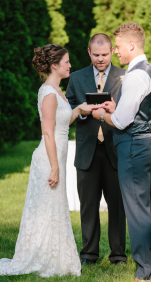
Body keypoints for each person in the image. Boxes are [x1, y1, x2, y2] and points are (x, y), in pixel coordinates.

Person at [0, 44, 95, 277]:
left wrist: (78, 110)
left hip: (57, 157)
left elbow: (63, 123)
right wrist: (54, 167)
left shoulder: (58, 90)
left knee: (55, 208)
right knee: (46, 208)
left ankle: (54, 256)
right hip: (48, 159)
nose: (71, 65)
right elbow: (48, 132)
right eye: (67, 62)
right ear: (55, 65)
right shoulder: (49, 93)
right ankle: (42, 257)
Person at [92, 23, 151, 281]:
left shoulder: (134, 75)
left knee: (136, 209)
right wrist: (116, 106)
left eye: (119, 47)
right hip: (147, 141)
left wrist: (101, 113)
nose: (117, 52)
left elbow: (121, 122)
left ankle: (146, 271)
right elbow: (140, 109)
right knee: (146, 208)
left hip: (134, 144)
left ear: (131, 45)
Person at [66, 34, 127, 264]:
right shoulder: (76, 77)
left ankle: (118, 255)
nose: (100, 59)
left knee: (118, 206)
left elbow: (130, 108)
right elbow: (69, 105)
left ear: (112, 51)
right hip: (86, 151)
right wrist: (81, 111)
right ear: (89, 52)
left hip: (115, 149)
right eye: (96, 55)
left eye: (104, 54)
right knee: (88, 205)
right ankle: (89, 254)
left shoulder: (124, 76)